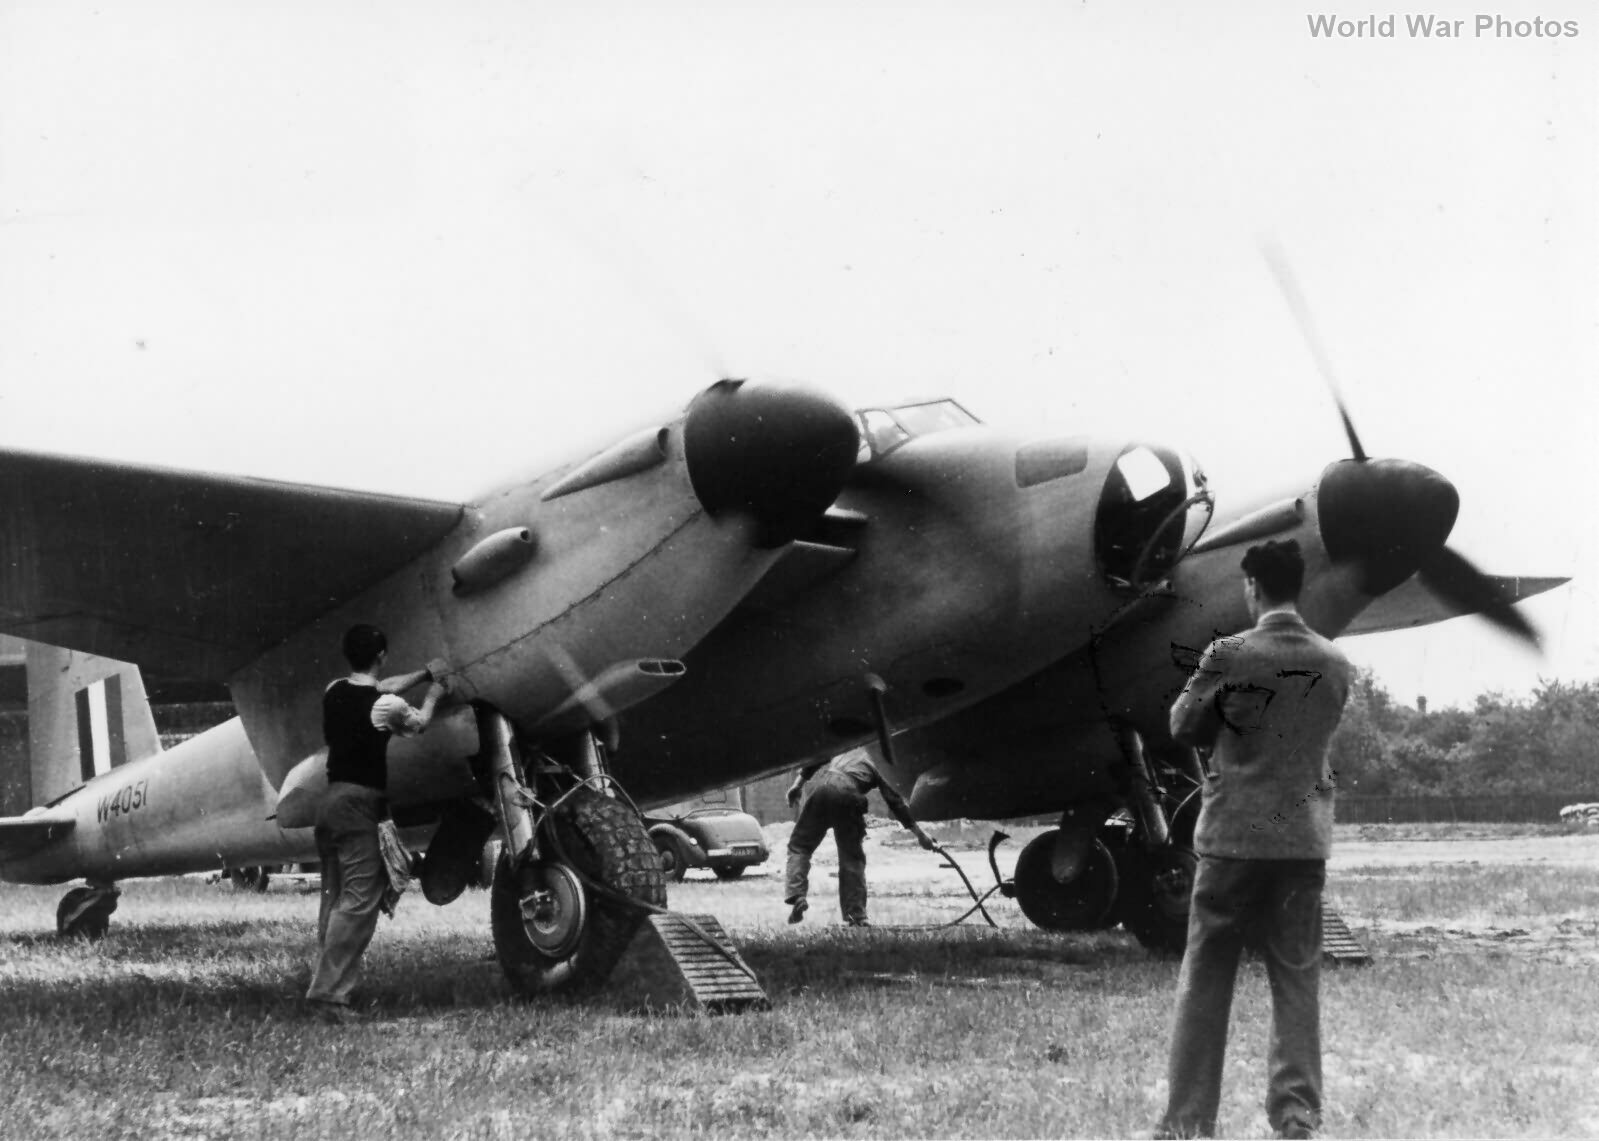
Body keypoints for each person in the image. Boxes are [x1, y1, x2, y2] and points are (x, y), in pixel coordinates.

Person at [1154, 539, 1354, 1140]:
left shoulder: (1228, 654)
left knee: (1206, 978)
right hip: (1300, 845)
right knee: (1296, 978)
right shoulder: (1336, 662)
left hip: (1232, 842)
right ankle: (1295, 1116)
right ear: (1299, 586)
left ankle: (1188, 1120)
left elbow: (1182, 724)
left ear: (1251, 587)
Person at [305, 623, 449, 1022]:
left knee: (335, 899)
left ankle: (326, 985)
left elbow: (380, 688)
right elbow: (416, 722)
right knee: (359, 901)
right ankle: (328, 997)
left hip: (329, 803)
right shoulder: (385, 706)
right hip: (358, 806)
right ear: (382, 654)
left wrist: (422, 673)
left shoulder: (334, 690)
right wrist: (434, 694)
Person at [783, 750, 935, 926]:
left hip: (823, 788)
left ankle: (797, 895)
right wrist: (920, 834)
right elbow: (895, 802)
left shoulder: (849, 744)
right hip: (848, 794)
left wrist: (798, 784)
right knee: (851, 858)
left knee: (799, 846)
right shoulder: (882, 760)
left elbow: (818, 756)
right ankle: (856, 916)